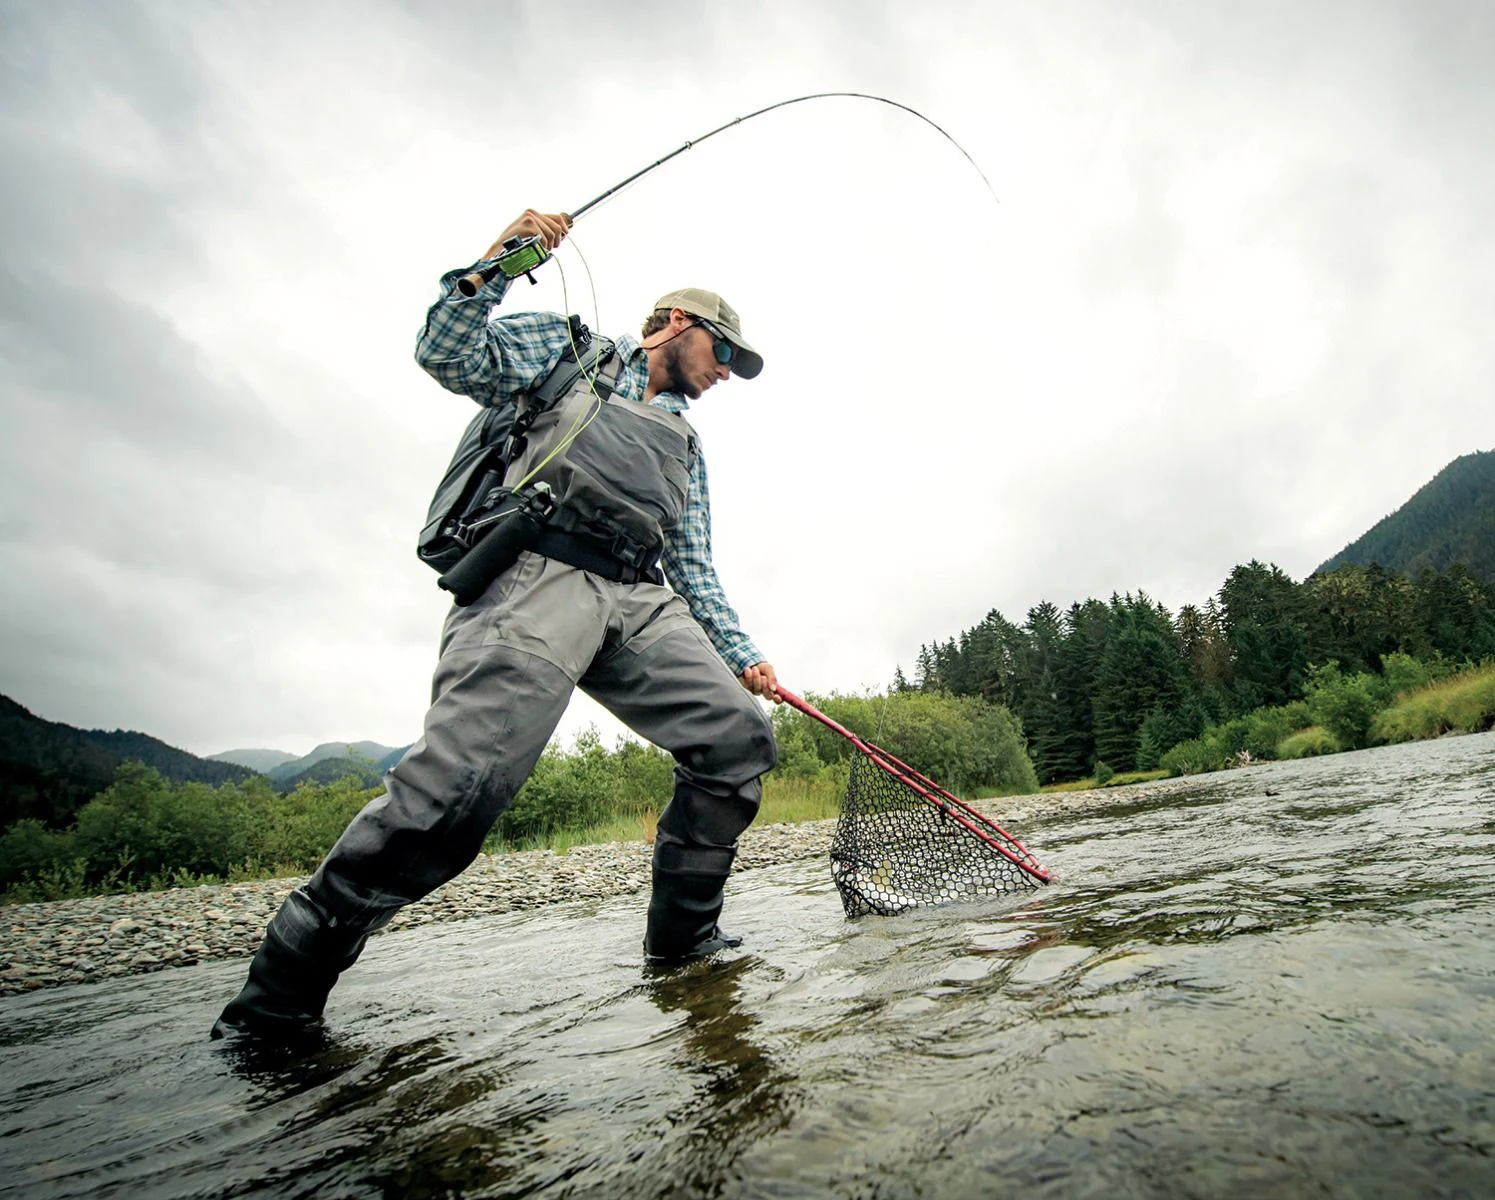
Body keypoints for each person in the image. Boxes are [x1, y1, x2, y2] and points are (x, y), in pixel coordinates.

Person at [212, 209, 781, 1040]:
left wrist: (743, 659)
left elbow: (691, 567)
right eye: (723, 352)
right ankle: (273, 1007)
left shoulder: (688, 447)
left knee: (737, 741)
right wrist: (501, 261)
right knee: (459, 794)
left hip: (638, 598)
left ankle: (683, 948)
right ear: (678, 326)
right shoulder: (566, 350)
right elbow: (447, 352)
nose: (727, 372)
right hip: (533, 576)